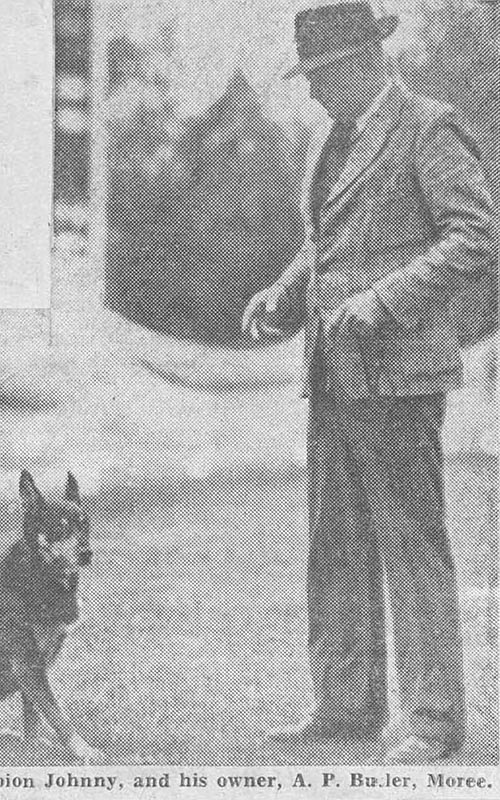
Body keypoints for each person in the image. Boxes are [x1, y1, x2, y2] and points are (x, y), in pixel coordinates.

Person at [242, 1, 497, 764]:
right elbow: (326, 242)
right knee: (337, 543)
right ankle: (347, 707)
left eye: (319, 77)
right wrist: (286, 290)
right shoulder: (332, 138)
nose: (313, 94)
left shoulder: (429, 125)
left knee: (411, 545)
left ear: (359, 64)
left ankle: (432, 721)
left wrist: (382, 299)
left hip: (399, 375)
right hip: (330, 371)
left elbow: (475, 236)